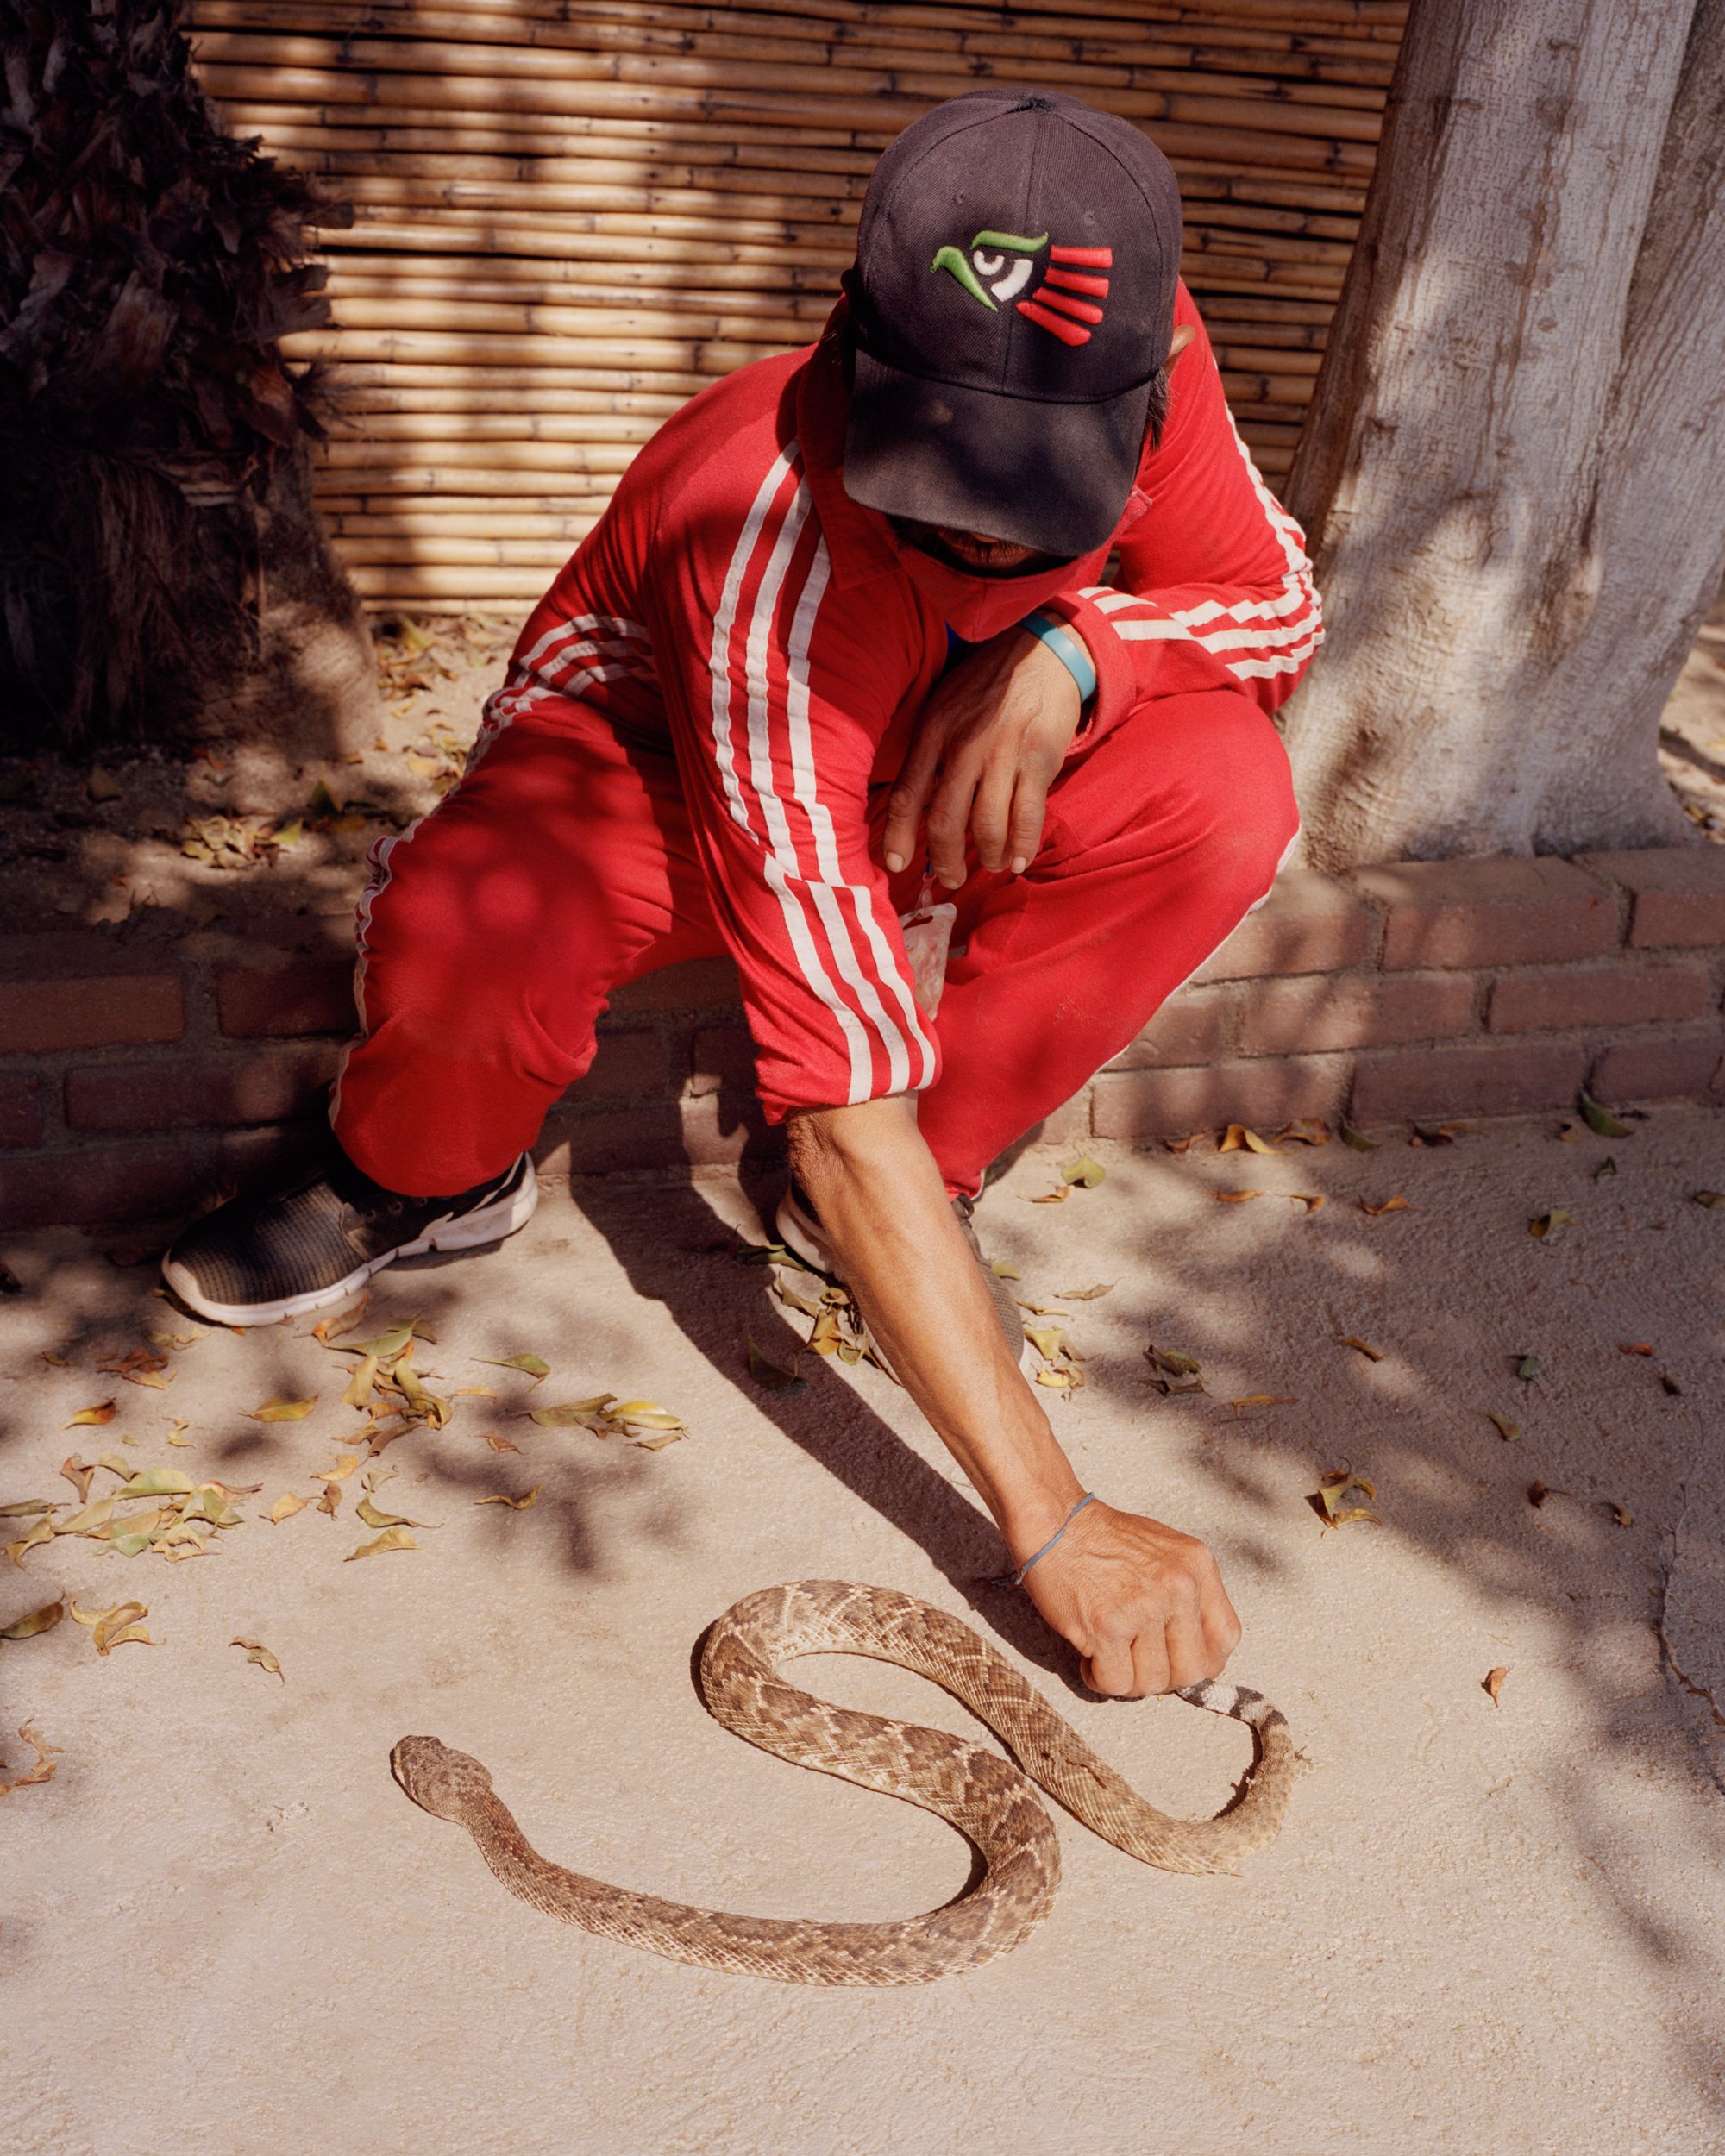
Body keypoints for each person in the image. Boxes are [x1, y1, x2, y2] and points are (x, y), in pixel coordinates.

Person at [164, 88, 1318, 1701]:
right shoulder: (765, 524)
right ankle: (416, 1170)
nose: (984, 545)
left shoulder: (1154, 347)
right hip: (657, 766)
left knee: (1221, 790)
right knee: (475, 931)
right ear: (857, 348)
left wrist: (1085, 647)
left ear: (1143, 388)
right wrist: (1052, 1525)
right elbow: (841, 1096)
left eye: (1034, 497)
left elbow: (1271, 606)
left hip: (917, 756)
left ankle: (941, 1183)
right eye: (943, 486)